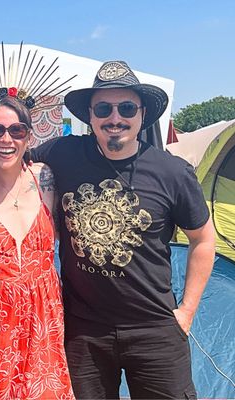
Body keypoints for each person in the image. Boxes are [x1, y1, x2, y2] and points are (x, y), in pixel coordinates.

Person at [30, 60, 216, 399]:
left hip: (155, 326)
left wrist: (187, 311)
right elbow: (8, 161)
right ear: (90, 115)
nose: (115, 118)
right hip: (84, 331)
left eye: (126, 108)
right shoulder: (63, 153)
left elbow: (203, 239)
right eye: (104, 108)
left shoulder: (172, 172)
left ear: (142, 114)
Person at [0, 96, 74, 400]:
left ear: (29, 136)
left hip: (45, 314)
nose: (6, 139)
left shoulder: (45, 178)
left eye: (16, 131)